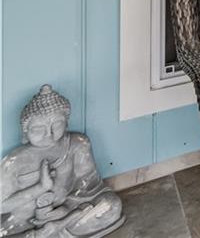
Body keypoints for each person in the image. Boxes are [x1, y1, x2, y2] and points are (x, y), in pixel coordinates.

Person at [0, 85, 123, 237]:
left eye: (57, 125)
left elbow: (89, 188)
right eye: (38, 129)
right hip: (24, 221)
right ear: (25, 132)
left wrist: (62, 214)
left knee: (111, 205)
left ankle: (51, 232)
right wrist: (40, 187)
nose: (49, 134)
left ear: (66, 124)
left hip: (68, 212)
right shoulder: (15, 160)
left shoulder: (77, 144)